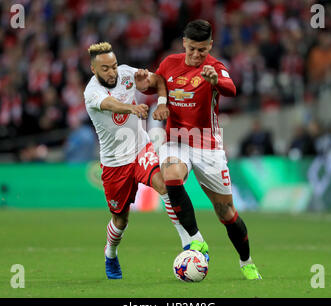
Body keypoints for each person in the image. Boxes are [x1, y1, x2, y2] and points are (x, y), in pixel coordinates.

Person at [147, 20, 262, 280]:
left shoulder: (216, 68)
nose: (197, 55)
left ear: (210, 45)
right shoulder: (169, 63)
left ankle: (247, 262)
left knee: (226, 212)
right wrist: (158, 98)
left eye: (202, 49)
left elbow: (232, 89)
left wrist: (215, 81)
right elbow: (157, 82)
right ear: (184, 44)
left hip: (207, 145)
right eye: (192, 49)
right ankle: (196, 240)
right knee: (172, 177)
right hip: (175, 138)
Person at [83, 42, 199, 279]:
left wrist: (158, 94)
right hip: (115, 162)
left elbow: (156, 81)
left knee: (165, 186)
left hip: (140, 149)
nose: (112, 72)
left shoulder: (126, 73)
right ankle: (111, 253)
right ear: (93, 69)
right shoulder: (91, 92)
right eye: (105, 69)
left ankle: (188, 244)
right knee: (121, 220)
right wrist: (131, 108)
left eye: (114, 66)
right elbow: (110, 104)